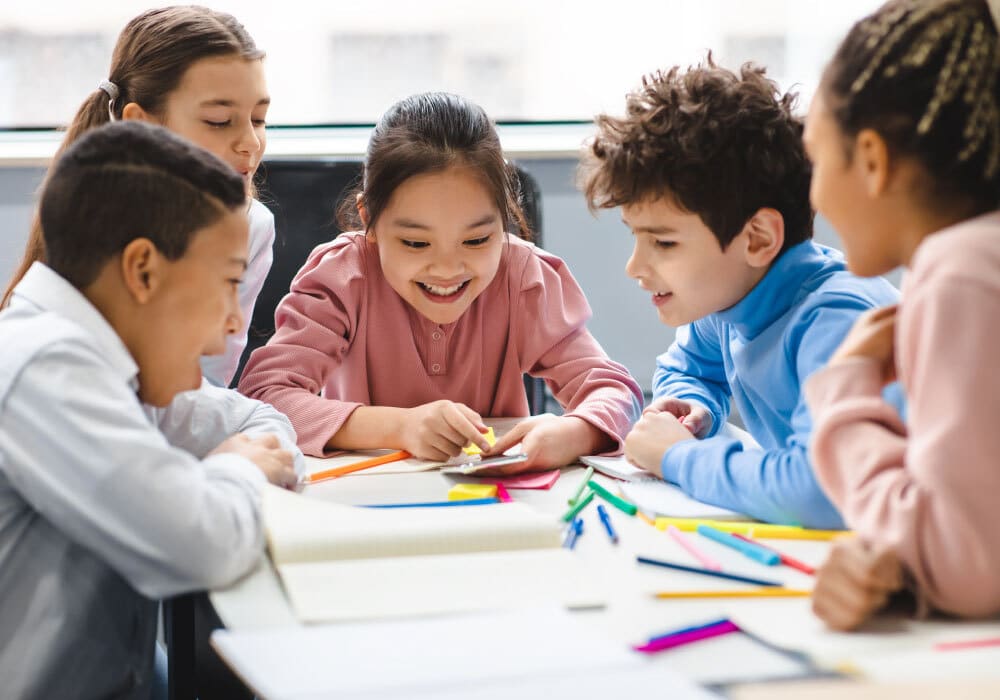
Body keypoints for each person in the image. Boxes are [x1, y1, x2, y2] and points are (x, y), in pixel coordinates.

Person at [0, 120, 301, 699]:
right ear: (143, 270)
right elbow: (201, 544)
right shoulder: (46, 366)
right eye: (227, 282)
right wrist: (232, 471)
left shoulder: (113, 371)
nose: (235, 323)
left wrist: (229, 469)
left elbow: (263, 428)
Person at [239, 92, 642, 470]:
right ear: (369, 221)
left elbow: (614, 390)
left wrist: (576, 431)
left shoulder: (523, 277)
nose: (447, 270)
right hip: (366, 503)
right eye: (416, 242)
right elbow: (265, 395)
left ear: (505, 217)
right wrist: (399, 427)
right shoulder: (344, 277)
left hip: (496, 504)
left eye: (477, 240)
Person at [579, 56, 901, 528]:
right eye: (636, 236)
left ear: (757, 239)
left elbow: (818, 489)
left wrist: (678, 458)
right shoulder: (728, 300)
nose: (635, 267)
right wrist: (694, 407)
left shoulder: (838, 322)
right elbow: (687, 368)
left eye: (663, 242)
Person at [803, 0, 1000, 629]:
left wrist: (846, 392)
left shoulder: (960, 269)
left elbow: (964, 566)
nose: (813, 195)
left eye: (815, 160)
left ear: (870, 158)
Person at [1, 5, 273, 387]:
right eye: (218, 121)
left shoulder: (251, 225)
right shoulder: (85, 212)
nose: (250, 143)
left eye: (259, 119)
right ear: (141, 125)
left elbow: (206, 385)